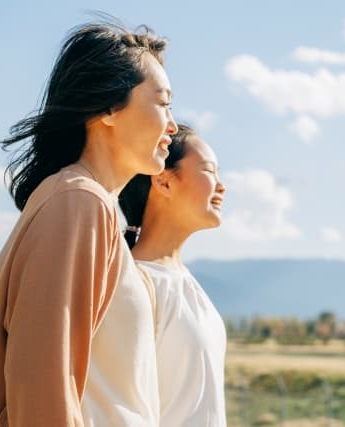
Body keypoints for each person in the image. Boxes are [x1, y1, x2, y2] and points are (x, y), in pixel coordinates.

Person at [0, 20, 177, 427]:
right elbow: (41, 379)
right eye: (163, 103)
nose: (173, 126)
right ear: (107, 108)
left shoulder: (91, 204)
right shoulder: (78, 201)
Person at [115, 124, 227, 426]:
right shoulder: (132, 284)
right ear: (163, 181)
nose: (221, 185)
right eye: (209, 171)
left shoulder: (185, 282)